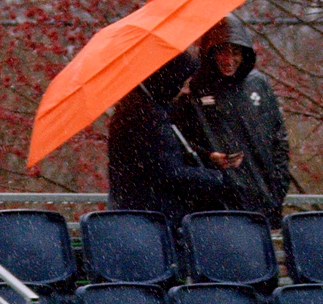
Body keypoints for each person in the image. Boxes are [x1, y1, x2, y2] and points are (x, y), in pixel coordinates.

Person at [175, 16, 298, 219]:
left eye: (235, 52)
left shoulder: (258, 85)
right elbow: (180, 141)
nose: (229, 59)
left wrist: (277, 190)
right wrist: (208, 157)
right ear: (211, 53)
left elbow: (278, 140)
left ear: (245, 53)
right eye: (223, 51)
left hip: (260, 201)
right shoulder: (194, 89)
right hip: (214, 202)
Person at [106, 52, 241, 231]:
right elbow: (168, 170)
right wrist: (216, 179)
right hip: (152, 219)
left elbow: (164, 148)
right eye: (183, 84)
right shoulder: (148, 115)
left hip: (136, 215)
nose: (186, 90)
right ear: (169, 81)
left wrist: (207, 157)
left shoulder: (144, 109)